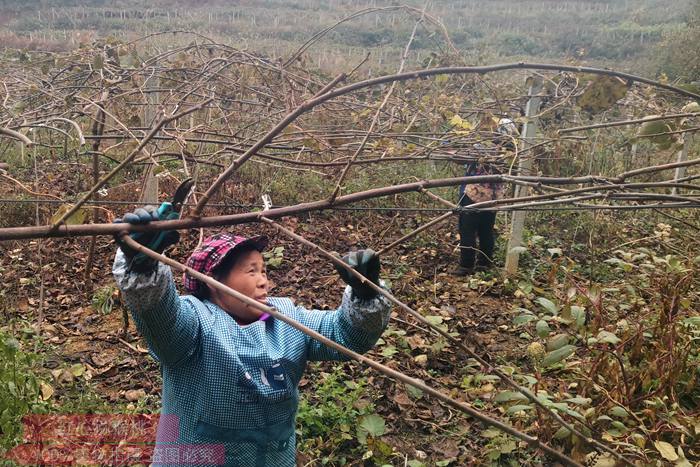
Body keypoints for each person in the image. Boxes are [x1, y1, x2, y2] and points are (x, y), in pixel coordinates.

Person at [112, 205, 392, 467]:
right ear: (214, 282)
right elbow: (162, 320)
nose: (263, 280)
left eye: (264, 270)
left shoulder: (287, 319)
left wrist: (366, 294)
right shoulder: (196, 322)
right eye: (251, 271)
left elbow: (344, 337)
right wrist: (143, 267)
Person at [453, 118, 517, 276]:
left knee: (467, 230)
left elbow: (458, 158)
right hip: (493, 198)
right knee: (486, 231)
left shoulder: (481, 146)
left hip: (473, 195)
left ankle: (466, 266)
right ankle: (484, 263)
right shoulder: (510, 151)